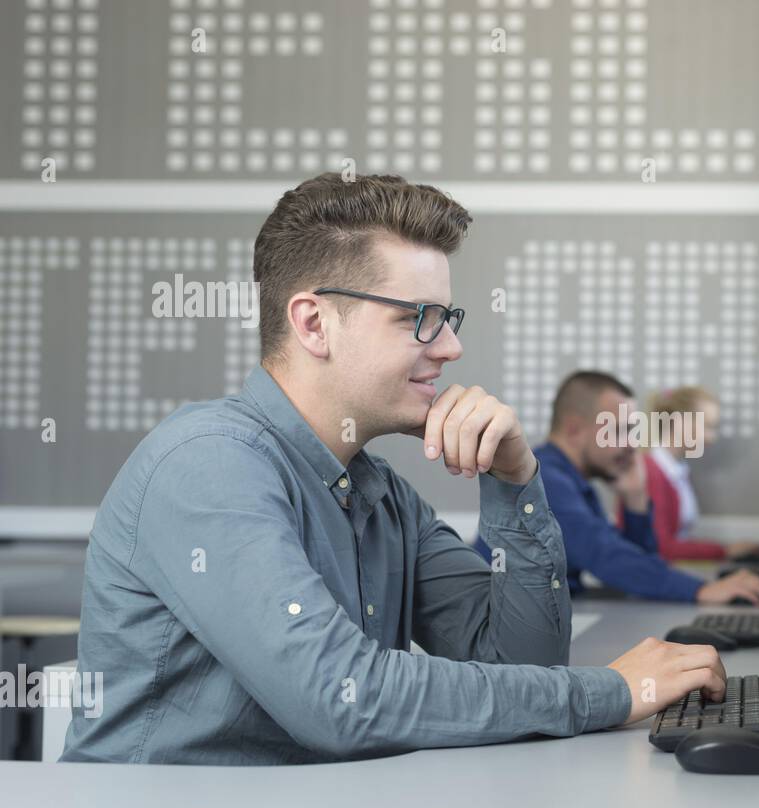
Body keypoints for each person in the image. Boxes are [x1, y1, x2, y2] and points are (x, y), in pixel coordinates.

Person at [63, 173, 725, 765]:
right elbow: (340, 697)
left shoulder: (381, 495)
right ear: (314, 323)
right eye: (420, 319)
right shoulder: (207, 465)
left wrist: (516, 485)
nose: (453, 347)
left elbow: (523, 663)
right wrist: (613, 690)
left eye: (449, 318)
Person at [473, 371, 759, 605]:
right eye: (619, 430)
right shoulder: (545, 480)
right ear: (574, 429)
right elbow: (606, 556)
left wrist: (635, 499)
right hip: (499, 630)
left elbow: (641, 557)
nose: (631, 446)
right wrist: (701, 589)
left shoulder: (572, 480)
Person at [626, 386, 759, 562]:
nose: (712, 437)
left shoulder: (675, 470)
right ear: (677, 422)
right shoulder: (651, 471)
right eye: (707, 426)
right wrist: (724, 551)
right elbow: (662, 547)